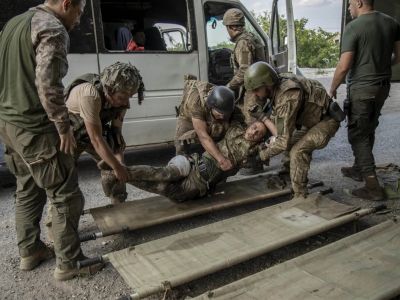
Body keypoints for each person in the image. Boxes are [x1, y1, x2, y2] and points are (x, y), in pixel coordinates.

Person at [0, 0, 102, 281]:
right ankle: (70, 263)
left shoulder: (13, 24)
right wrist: (64, 127)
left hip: (9, 123)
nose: (80, 20)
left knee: (28, 187)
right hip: (34, 126)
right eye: (79, 12)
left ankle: (30, 251)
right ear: (67, 3)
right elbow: (48, 85)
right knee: (65, 194)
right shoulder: (53, 29)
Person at [329, 0, 400, 201]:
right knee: (368, 127)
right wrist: (381, 64)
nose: (349, 8)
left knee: (357, 134)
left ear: (359, 2)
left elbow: (344, 65)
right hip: (383, 87)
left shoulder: (353, 28)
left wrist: (333, 88)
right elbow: (399, 57)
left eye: (350, 4)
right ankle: (359, 168)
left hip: (362, 89)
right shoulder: (392, 23)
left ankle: (372, 186)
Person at [102, 121, 269, 202]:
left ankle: (121, 177)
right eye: (254, 127)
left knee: (166, 190)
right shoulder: (234, 128)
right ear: (248, 126)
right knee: (165, 174)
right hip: (192, 163)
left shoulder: (255, 151)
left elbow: (277, 142)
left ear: (261, 138)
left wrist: (267, 127)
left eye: (259, 133)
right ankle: (114, 172)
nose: (254, 132)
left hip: (200, 183)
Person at [245, 62, 341, 198]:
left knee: (297, 151)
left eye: (256, 89)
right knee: (287, 143)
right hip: (311, 121)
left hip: (326, 121)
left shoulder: (287, 95)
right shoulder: (276, 85)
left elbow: (282, 141)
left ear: (266, 83)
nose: (255, 94)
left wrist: (261, 157)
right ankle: (287, 175)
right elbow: (281, 132)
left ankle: (300, 195)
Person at [65, 61, 144, 204]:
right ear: (109, 89)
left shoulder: (122, 98)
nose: (125, 102)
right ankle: (58, 215)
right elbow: (96, 139)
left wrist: (119, 161)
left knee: (115, 165)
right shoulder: (90, 94)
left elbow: (116, 133)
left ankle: (119, 202)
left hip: (95, 130)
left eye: (129, 97)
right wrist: (117, 167)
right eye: (121, 97)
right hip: (72, 134)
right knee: (64, 175)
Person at [223, 8, 267, 174]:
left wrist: (228, 86)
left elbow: (244, 71)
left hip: (252, 90)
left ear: (232, 27)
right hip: (257, 88)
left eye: (227, 27)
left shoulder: (242, 43)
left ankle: (255, 162)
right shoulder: (252, 38)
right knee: (253, 122)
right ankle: (253, 159)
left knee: (252, 125)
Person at [175, 75, 237, 171]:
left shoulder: (225, 103)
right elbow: (203, 137)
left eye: (225, 114)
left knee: (217, 138)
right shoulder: (197, 104)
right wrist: (222, 160)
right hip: (187, 116)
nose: (223, 117)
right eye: (220, 114)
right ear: (211, 105)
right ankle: (178, 169)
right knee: (181, 147)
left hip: (209, 111)